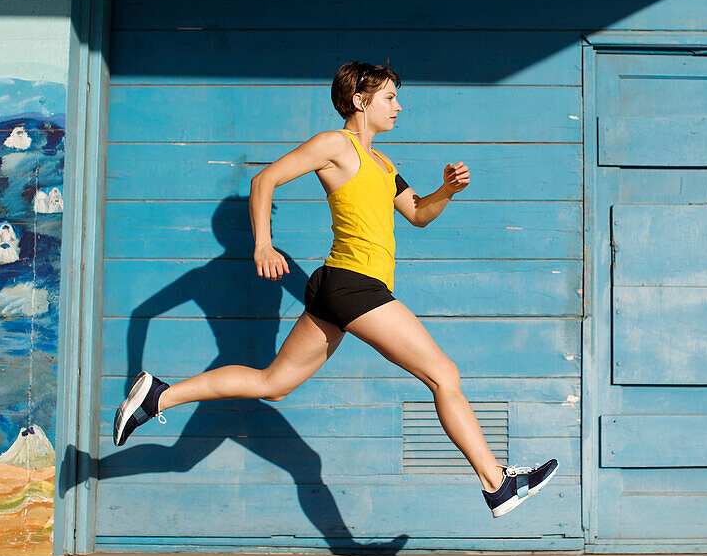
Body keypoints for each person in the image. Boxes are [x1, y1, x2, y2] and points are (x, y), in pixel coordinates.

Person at [113, 61, 557, 518]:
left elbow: (419, 213)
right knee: (444, 374)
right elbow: (263, 180)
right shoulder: (336, 145)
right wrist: (262, 244)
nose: (398, 107)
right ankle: (496, 483)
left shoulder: (383, 164)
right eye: (389, 98)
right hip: (353, 284)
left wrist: (446, 190)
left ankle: (157, 396)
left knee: (273, 384)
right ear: (360, 102)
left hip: (337, 289)